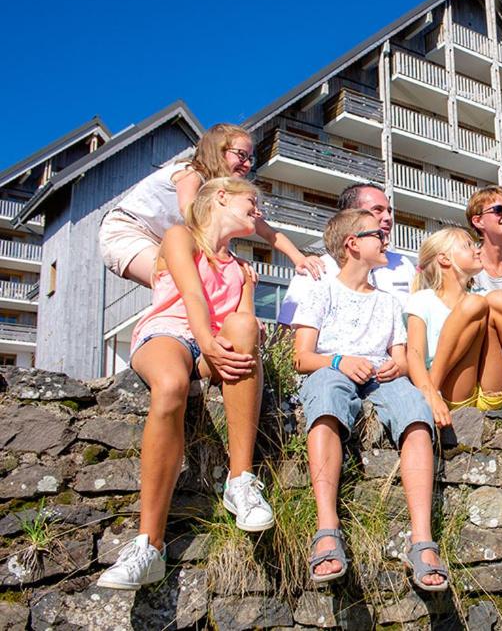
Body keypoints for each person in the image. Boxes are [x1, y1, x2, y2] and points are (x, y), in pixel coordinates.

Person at [98, 178, 274, 590]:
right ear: (221, 197)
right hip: (170, 334)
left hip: (213, 343)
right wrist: (208, 342)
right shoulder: (180, 237)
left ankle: (240, 481)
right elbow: (192, 295)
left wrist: (246, 302)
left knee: (245, 324)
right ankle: (148, 546)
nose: (258, 212)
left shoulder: (241, 268)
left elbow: (246, 328)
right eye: (253, 202)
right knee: (172, 386)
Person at [291, 208, 447, 590]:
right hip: (331, 368)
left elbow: (399, 356)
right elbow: (301, 357)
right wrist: (341, 361)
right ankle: (327, 529)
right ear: (353, 244)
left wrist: (397, 367)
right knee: (326, 397)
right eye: (377, 234)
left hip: (379, 378)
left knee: (414, 410)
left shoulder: (390, 302)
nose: (386, 239)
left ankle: (422, 540)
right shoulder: (321, 290)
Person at [99, 123, 324, 286]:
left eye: (250, 159)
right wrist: (229, 258)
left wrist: (299, 258)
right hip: (127, 231)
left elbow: (267, 232)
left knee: (207, 283)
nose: (246, 164)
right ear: (218, 151)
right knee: (174, 280)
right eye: (241, 155)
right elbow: (189, 212)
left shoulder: (223, 194)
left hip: (164, 240)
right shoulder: (191, 174)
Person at [405, 227, 502, 426]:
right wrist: (428, 392)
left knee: (499, 300)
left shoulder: (485, 294)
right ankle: (433, 390)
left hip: (491, 388)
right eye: (467, 245)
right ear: (444, 259)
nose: (477, 250)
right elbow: (414, 353)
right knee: (475, 304)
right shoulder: (423, 300)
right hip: (450, 389)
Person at [277, 183, 415, 324]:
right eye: (377, 210)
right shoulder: (316, 270)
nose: (388, 217)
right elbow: (285, 331)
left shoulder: (404, 265)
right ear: (351, 214)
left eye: (389, 211)